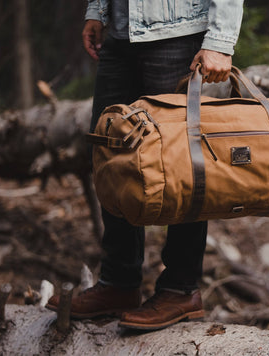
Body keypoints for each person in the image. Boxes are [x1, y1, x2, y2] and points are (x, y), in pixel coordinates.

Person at [46, 0, 244, 331]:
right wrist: (98, 11)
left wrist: (221, 41)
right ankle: (119, 283)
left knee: (183, 162)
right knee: (110, 153)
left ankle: (181, 288)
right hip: (120, 37)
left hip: (178, 35)